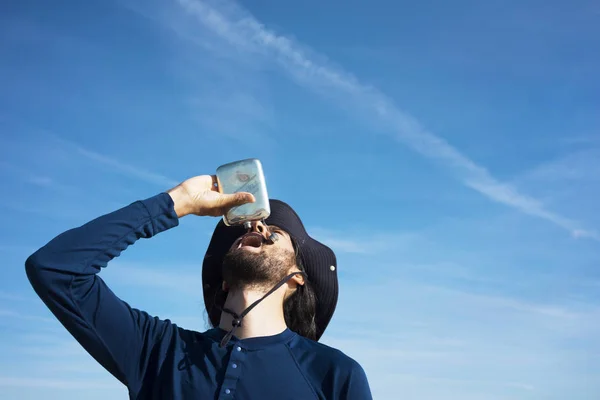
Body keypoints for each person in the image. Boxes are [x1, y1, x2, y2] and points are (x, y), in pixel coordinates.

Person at [25, 174, 373, 399]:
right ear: (224, 277)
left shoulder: (335, 375)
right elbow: (55, 268)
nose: (257, 229)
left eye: (274, 232)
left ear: (297, 278)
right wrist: (178, 202)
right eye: (245, 230)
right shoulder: (157, 350)